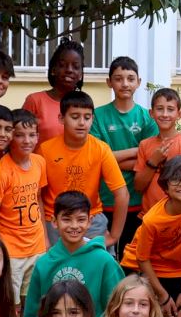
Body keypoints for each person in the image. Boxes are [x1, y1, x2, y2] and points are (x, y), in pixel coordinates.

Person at [119, 156, 181, 317]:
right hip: (140, 265)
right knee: (142, 311)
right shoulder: (152, 219)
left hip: (176, 267)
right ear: (165, 187)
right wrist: (163, 296)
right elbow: (142, 259)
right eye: (175, 179)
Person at [22, 191, 125, 317]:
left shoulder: (104, 261)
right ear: (54, 221)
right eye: (67, 219)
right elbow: (32, 313)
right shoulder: (44, 264)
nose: (74, 226)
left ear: (90, 221)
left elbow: (116, 308)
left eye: (81, 219)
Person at [38, 90, 129, 248]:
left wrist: (114, 236)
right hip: (55, 222)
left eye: (87, 117)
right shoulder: (45, 150)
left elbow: (122, 194)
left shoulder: (101, 149)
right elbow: (37, 195)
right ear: (61, 118)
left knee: (99, 263)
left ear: (92, 119)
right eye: (75, 117)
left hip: (91, 220)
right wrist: (44, 236)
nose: (81, 123)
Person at [91, 56, 159, 251]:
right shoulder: (96, 116)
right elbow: (96, 157)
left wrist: (109, 159)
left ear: (139, 82)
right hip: (104, 201)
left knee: (131, 257)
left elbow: (151, 158)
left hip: (138, 201)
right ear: (109, 82)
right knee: (104, 258)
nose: (125, 84)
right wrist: (138, 150)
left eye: (130, 78)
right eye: (118, 78)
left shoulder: (147, 117)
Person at [0, 110, 48, 314]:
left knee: (34, 302)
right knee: (12, 305)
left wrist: (45, 237)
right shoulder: (2, 170)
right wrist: (0, 249)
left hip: (36, 245)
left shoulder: (39, 162)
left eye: (32, 135)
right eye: (19, 135)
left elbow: (38, 198)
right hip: (12, 249)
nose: (27, 140)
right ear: (10, 137)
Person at [134, 87, 181, 214]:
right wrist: (153, 162)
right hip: (149, 215)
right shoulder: (145, 144)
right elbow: (138, 186)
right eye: (160, 109)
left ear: (179, 114)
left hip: (178, 216)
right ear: (151, 113)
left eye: (170, 109)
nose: (165, 114)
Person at [23, 40, 84, 144]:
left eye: (75, 66)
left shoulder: (84, 104)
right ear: (53, 70)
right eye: (62, 65)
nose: (69, 70)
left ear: (81, 75)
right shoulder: (35, 101)